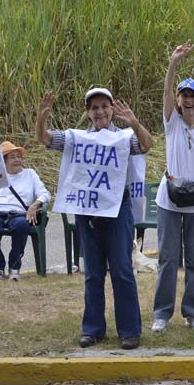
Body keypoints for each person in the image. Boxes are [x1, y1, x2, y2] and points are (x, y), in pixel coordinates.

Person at [35, 88, 153, 349]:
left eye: (104, 106)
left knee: (122, 271)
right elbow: (44, 139)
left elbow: (146, 144)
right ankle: (93, 329)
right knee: (93, 274)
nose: (99, 111)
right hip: (87, 213)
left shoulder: (123, 138)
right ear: (88, 112)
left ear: (111, 109)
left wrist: (133, 122)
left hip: (117, 211)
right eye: (94, 107)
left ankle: (129, 331)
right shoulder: (76, 139)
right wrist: (42, 117)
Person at [151, 41, 194, 333]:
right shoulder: (172, 123)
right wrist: (172, 63)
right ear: (178, 101)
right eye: (184, 96)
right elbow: (165, 92)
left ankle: (193, 312)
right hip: (170, 200)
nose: (188, 100)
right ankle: (162, 314)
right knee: (168, 259)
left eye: (193, 95)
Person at [0, 141, 51, 282]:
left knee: (21, 225)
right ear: (4, 161)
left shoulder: (30, 174)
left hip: (19, 213)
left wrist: (35, 205)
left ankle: (14, 266)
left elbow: (44, 193)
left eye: (18, 156)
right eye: (12, 157)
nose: (17, 160)